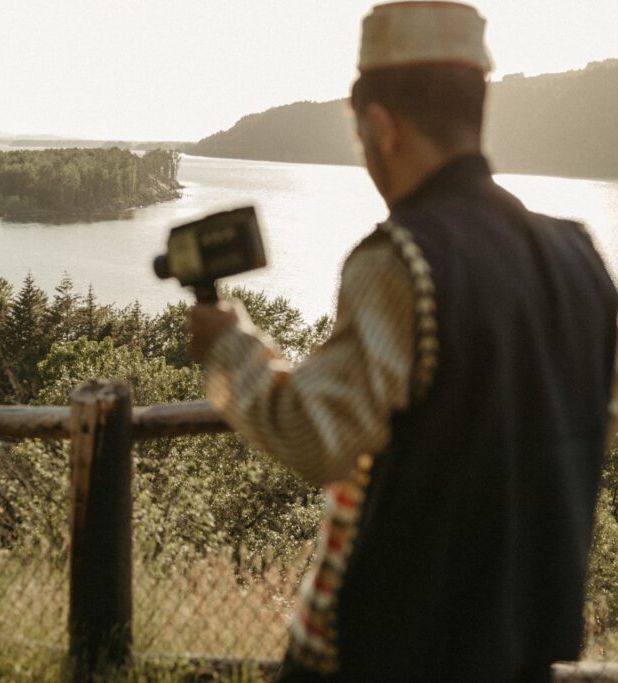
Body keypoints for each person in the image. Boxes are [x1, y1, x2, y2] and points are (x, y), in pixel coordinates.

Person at [189, 2, 618, 681]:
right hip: (525, 648)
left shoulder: (399, 261)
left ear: (381, 127)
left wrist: (229, 344)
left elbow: (315, 437)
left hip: (393, 652)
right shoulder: (581, 257)